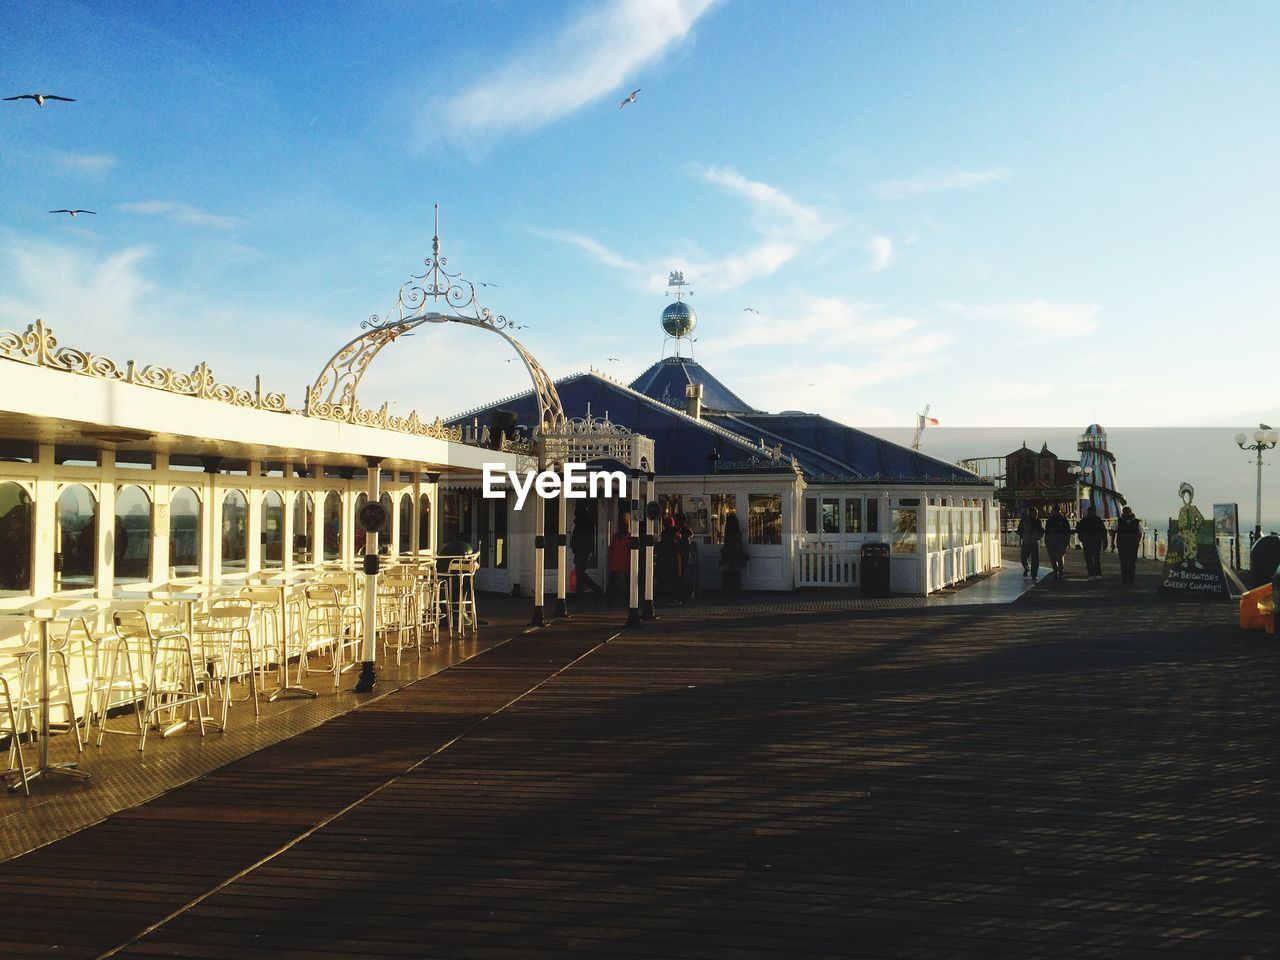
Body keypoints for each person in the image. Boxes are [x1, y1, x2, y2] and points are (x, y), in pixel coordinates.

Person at [570, 503, 603, 601]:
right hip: (582, 550)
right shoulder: (584, 522)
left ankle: (596, 589)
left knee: (580, 572)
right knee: (579, 572)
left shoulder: (583, 522)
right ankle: (580, 593)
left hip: (582, 551)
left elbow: (583, 538)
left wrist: (579, 550)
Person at [1075, 505, 1107, 581]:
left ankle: (1091, 575)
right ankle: (1098, 574)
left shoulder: (1084, 520)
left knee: (1088, 558)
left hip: (1087, 542)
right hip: (1096, 541)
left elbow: (1079, 530)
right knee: (1096, 558)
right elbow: (1103, 531)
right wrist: (1105, 541)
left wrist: (1081, 539)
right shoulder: (1098, 520)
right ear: (1094, 512)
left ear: (1088, 512)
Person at [719, 512, 748, 594]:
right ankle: (734, 588)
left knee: (728, 571)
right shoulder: (737, 533)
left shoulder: (727, 534)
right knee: (735, 572)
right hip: (735, 554)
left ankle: (728, 588)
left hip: (727, 554)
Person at [607, 512, 631, 604]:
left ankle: (627, 598)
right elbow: (611, 549)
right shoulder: (616, 537)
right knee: (613, 581)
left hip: (625, 562)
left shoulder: (629, 537)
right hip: (617, 561)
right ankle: (610, 598)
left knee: (627, 582)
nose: (623, 526)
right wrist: (610, 559)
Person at [1115, 506, 1143, 584]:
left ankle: (1128, 579)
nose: (1127, 513)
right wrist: (1138, 541)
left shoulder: (1121, 521)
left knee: (1129, 562)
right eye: (1126, 512)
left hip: (1127, 544)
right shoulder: (1134, 521)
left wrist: (1138, 541)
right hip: (1128, 544)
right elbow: (1141, 533)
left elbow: (1114, 531)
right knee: (1128, 562)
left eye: (1128, 511)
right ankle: (1128, 579)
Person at [656, 516, 681, 603]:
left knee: (661, 581)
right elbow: (677, 549)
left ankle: (656, 598)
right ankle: (676, 598)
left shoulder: (664, 536)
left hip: (664, 561)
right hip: (673, 561)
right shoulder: (676, 536)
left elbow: (661, 549)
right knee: (675, 581)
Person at [1044, 505, 1071, 582]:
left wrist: (1067, 541)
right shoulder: (1050, 520)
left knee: (1059, 557)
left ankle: (1060, 572)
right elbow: (1047, 532)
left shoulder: (1063, 520)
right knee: (1053, 558)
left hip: (1061, 541)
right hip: (1052, 541)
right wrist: (1047, 541)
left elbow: (1067, 531)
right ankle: (1056, 571)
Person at [1017, 507, 1044, 579]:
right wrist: (1023, 536)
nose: (1036, 515)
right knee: (1023, 557)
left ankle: (1034, 575)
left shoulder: (1038, 521)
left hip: (1035, 542)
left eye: (1037, 513)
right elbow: (1019, 530)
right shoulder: (1024, 521)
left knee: (1035, 559)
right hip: (1026, 541)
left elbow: (1041, 531)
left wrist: (1038, 537)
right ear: (1030, 513)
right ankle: (1026, 567)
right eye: (1034, 513)